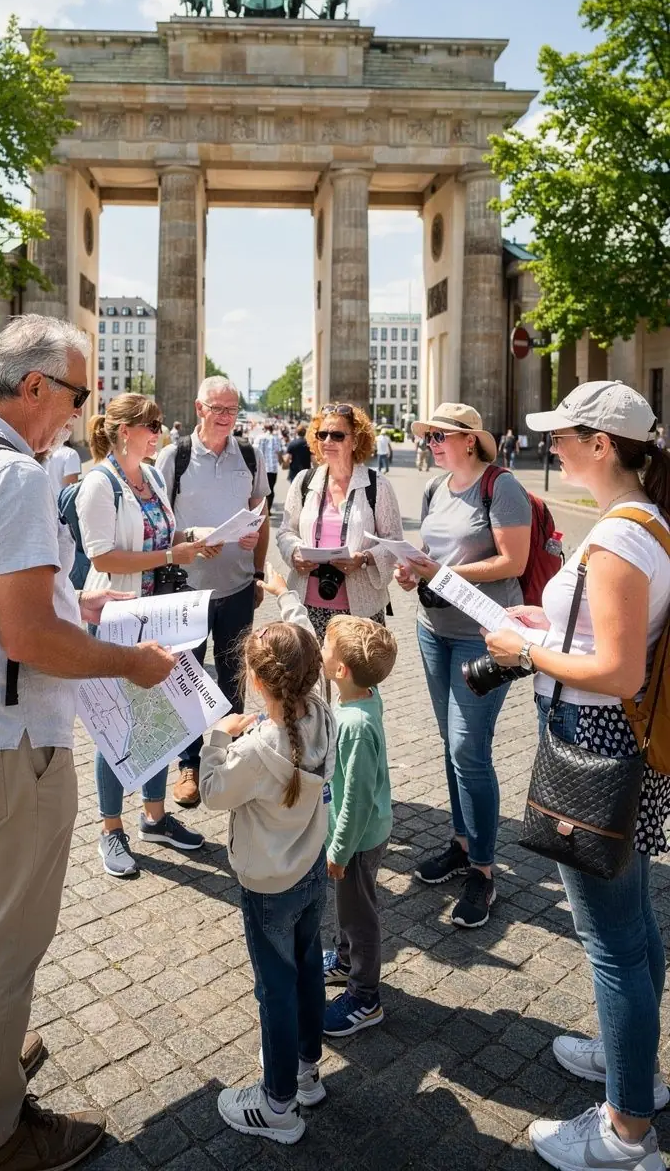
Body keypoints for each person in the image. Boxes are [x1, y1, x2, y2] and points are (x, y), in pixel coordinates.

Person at [0, 314, 177, 1171]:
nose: (78, 411)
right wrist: (130, 661)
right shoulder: (16, 478)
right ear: (34, 389)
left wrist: (76, 610)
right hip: (12, 741)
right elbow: (28, 637)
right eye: (75, 393)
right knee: (7, 944)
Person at [485, 382, 670, 1171]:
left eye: (563, 435)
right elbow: (609, 640)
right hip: (613, 738)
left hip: (595, 741)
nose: (551, 446)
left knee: (612, 941)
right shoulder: (640, 524)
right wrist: (546, 625)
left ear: (602, 444)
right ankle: (636, 1076)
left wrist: (525, 651)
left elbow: (619, 670)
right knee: (631, 926)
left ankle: (628, 1132)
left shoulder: (624, 537)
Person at [199, 614, 336, 1145]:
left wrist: (217, 736)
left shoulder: (255, 750)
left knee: (273, 990)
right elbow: (301, 632)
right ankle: (305, 1071)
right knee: (305, 972)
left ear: (257, 683)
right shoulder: (322, 714)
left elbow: (212, 792)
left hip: (267, 888)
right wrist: (283, 594)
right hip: (309, 872)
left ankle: (277, 1104)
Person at [393, 403, 531, 929]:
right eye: (428, 437)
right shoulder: (435, 488)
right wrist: (413, 571)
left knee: (468, 749)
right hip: (435, 632)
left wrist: (444, 572)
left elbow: (512, 561)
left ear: (469, 441)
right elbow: (429, 550)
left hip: (484, 639)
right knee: (451, 747)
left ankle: (483, 870)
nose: (429, 443)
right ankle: (460, 842)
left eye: (439, 436)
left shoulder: (501, 487)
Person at [77, 393, 215, 873]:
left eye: (159, 423)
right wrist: (168, 557)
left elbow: (161, 536)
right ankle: (110, 829)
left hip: (160, 612)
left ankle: (154, 817)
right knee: (116, 726)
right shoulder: (99, 483)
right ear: (123, 431)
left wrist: (189, 542)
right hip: (118, 614)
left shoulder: (152, 476)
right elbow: (101, 558)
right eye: (151, 424)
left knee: (162, 716)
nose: (159, 430)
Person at [264, 570, 398, 1038]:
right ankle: (343, 962)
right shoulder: (359, 696)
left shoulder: (355, 724)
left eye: (325, 650)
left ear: (339, 670)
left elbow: (357, 799)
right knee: (347, 908)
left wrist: (339, 851)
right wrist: (284, 595)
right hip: (357, 833)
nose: (318, 652)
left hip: (358, 839)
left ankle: (365, 997)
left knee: (360, 915)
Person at [155, 377, 269, 808]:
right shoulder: (175, 456)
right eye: (217, 409)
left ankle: (229, 759)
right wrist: (192, 535)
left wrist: (256, 564)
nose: (225, 417)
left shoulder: (249, 454)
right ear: (199, 408)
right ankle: (189, 763)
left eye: (232, 409)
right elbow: (159, 525)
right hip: (187, 591)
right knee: (185, 678)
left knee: (232, 676)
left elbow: (262, 513)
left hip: (238, 586)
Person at [277, 403, 404, 641]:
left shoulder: (377, 485)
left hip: (360, 609)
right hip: (306, 603)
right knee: (308, 676)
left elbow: (394, 542)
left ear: (355, 441)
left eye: (337, 435)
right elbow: (285, 531)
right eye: (322, 434)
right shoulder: (304, 481)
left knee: (357, 678)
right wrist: (293, 553)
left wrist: (365, 559)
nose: (327, 441)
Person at [45, 430, 81, 502]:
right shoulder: (70, 454)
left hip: (45, 504)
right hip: (61, 507)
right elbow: (71, 489)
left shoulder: (40, 452)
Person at [256, 421, 285, 511]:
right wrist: (281, 462)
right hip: (272, 468)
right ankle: (268, 509)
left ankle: (261, 509)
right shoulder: (275, 438)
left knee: (260, 490)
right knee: (270, 489)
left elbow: (255, 452)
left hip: (261, 468)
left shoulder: (259, 438)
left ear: (264, 429)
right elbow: (279, 451)